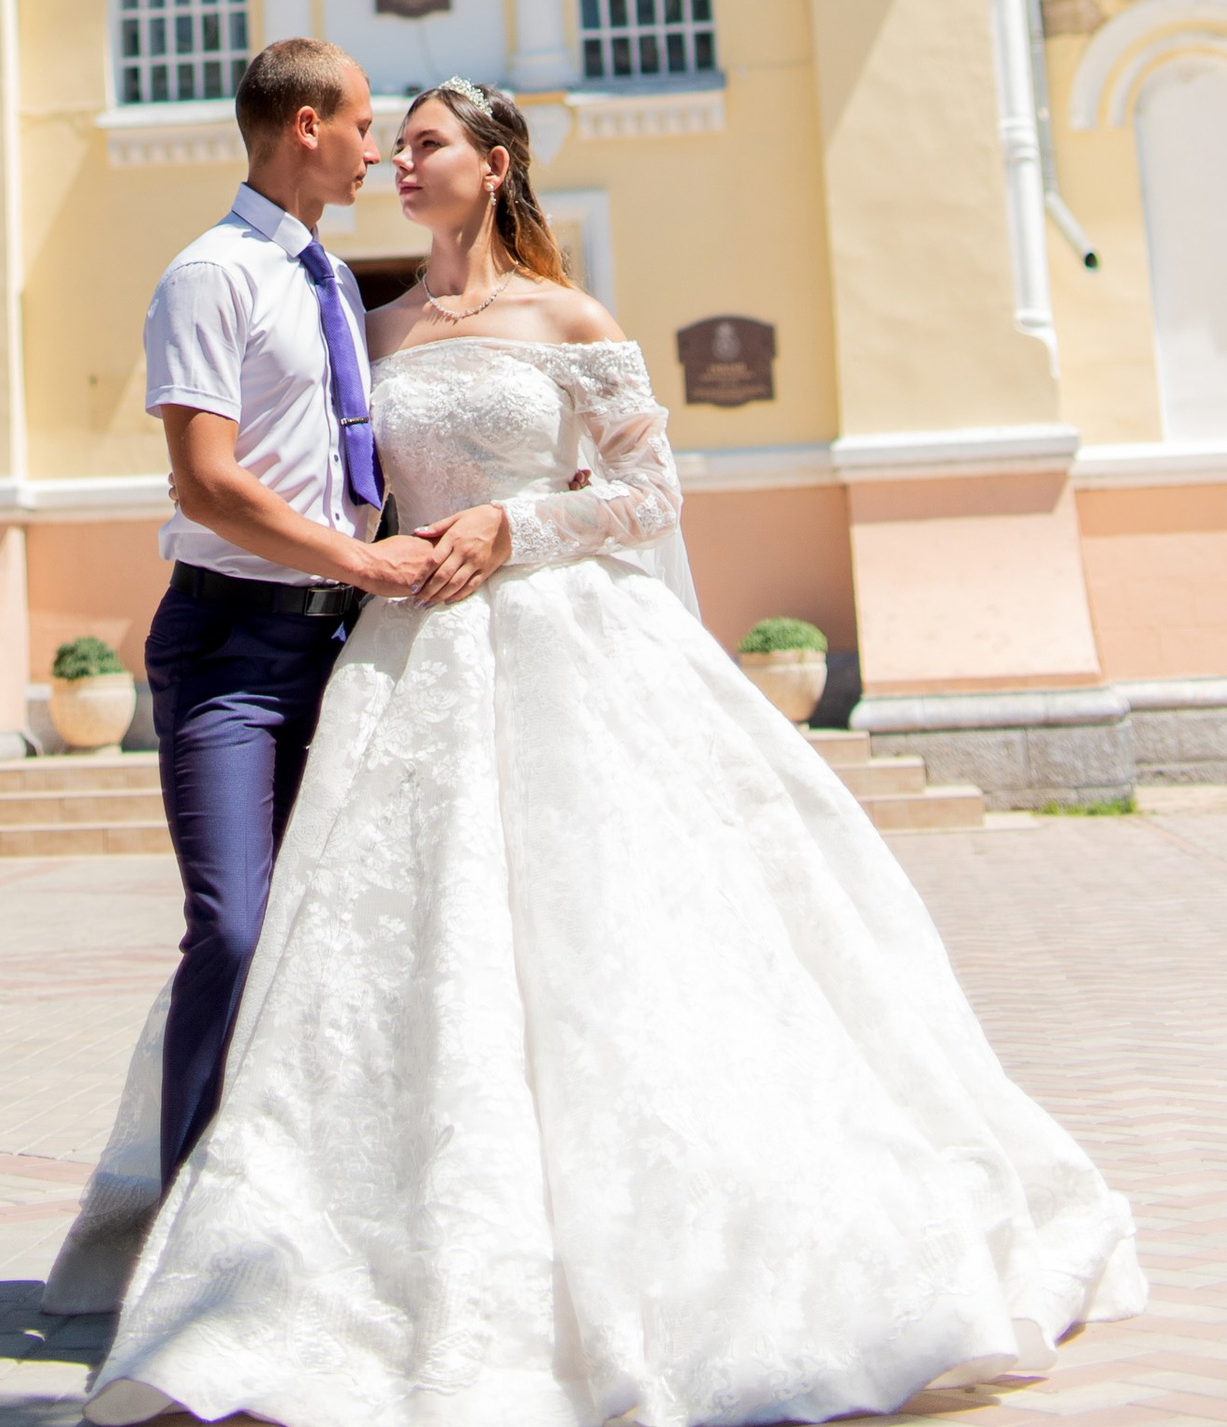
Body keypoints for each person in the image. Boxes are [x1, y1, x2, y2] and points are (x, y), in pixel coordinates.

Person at [72, 74, 1146, 1427]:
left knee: (611, 939)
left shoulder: (570, 317)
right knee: (404, 957)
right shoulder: (371, 317)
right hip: (409, 664)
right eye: (389, 140)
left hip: (570, 649)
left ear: (498, 162)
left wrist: (517, 528)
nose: (400, 159)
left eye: (427, 142)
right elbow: (320, 472)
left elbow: (648, 491)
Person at [136, 37, 444, 1205]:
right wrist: (359, 561)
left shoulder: (323, 279)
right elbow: (207, 483)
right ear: (306, 127)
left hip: (340, 646)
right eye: (364, 125)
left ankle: (314, 1201)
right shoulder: (211, 275)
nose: (378, 149)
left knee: (339, 925)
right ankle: (185, 1215)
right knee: (231, 924)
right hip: (229, 650)